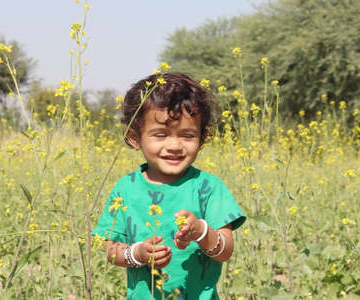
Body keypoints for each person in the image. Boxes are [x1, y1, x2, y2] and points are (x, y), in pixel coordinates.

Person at [92, 72, 246, 299]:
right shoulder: (126, 188)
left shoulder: (209, 187)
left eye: (187, 135)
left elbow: (225, 251)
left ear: (201, 139)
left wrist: (202, 232)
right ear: (135, 137)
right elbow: (109, 247)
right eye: (160, 134)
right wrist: (138, 254)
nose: (174, 145)